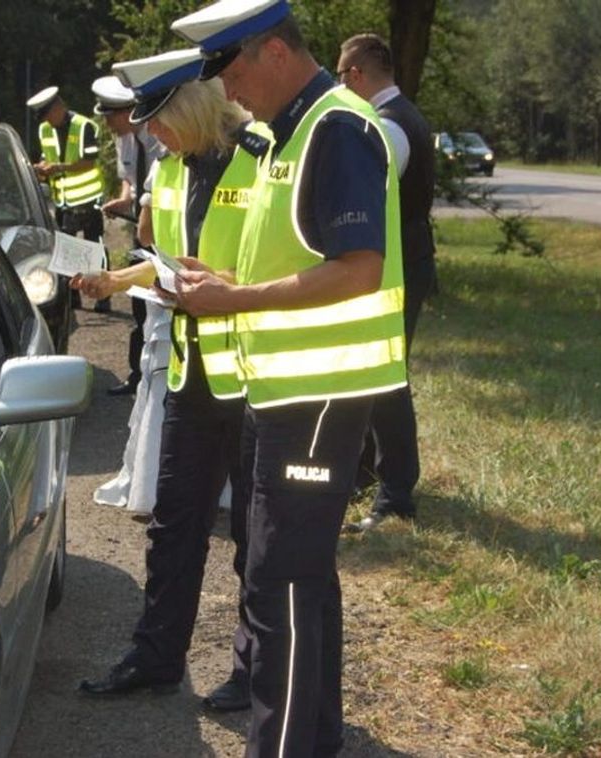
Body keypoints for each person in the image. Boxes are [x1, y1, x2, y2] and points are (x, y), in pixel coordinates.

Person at [170, 1, 407, 755]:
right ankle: (313, 737)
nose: (228, 92)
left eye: (232, 71)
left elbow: (357, 269)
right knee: (297, 577)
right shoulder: (289, 132)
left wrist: (234, 300)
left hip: (319, 394)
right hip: (289, 393)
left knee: (281, 581)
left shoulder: (335, 128)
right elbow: (294, 259)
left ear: (274, 51)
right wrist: (227, 282)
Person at [74, 48, 270, 713]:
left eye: (158, 121)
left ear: (191, 109)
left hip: (257, 380)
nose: (151, 135)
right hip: (193, 375)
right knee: (173, 524)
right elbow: (168, 262)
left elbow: (289, 268)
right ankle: (156, 658)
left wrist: (226, 288)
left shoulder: (262, 157)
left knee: (255, 534)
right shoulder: (174, 166)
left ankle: (256, 669)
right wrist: (116, 279)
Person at [336, 33, 436, 533]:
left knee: (387, 380)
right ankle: (370, 475)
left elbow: (371, 201)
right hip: (399, 265)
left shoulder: (389, 126)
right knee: (375, 375)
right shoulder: (401, 116)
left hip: (396, 269)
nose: (339, 85)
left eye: (340, 75)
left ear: (356, 74)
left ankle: (396, 495)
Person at [92, 74, 166, 396]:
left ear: (127, 113)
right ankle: (138, 375)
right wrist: (123, 199)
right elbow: (130, 179)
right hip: (140, 229)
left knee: (160, 303)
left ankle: (158, 373)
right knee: (138, 303)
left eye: (110, 117)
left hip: (163, 233)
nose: (107, 124)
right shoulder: (125, 138)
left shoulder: (159, 135)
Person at [27, 85, 111, 313]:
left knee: (94, 247)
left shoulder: (84, 126)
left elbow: (89, 162)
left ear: (59, 107)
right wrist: (42, 168)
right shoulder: (45, 129)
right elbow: (47, 156)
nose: (47, 121)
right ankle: (73, 296)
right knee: (67, 250)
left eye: (48, 115)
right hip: (63, 200)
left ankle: (104, 294)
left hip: (88, 197)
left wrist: (58, 167)